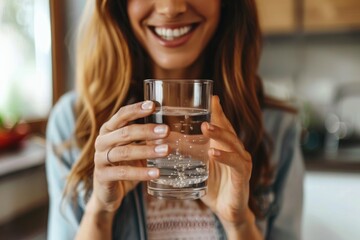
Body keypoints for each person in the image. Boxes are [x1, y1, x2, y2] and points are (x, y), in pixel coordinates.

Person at [46, 0, 304, 239]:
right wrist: (100, 212)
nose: (170, 7)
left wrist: (239, 223)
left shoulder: (277, 128)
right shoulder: (72, 123)